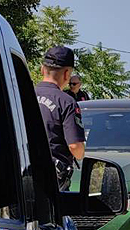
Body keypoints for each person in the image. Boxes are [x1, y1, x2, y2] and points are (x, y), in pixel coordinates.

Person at [36, 46, 86, 191]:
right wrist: (82, 151)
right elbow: (75, 147)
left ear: (42, 69)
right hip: (53, 182)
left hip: (21, 176)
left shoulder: (21, 95)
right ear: (66, 74)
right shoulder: (66, 102)